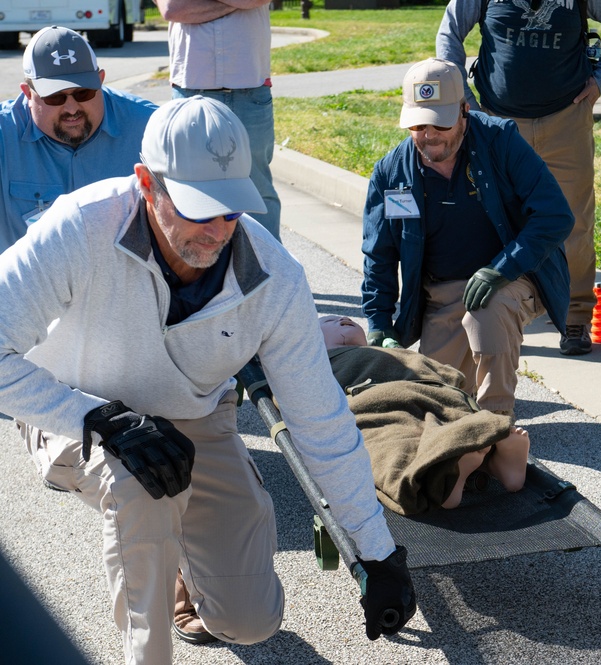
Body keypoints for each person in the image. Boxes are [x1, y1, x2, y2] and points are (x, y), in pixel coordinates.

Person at [0, 96, 415, 664]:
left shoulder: (276, 278)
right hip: (80, 412)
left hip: (196, 414)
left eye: (231, 207)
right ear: (146, 182)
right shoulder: (78, 227)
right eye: (199, 207)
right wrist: (93, 417)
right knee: (138, 486)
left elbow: (320, 421)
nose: (218, 229)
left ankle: (187, 569)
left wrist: (377, 553)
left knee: (250, 621)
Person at [361, 58, 573, 420]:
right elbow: (379, 254)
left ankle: (495, 423)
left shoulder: (501, 141)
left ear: (464, 111)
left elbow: (556, 216)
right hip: (442, 292)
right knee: (441, 403)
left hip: (512, 278)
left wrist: (500, 270)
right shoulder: (390, 173)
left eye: (440, 123)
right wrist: (379, 323)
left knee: (485, 313)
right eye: (417, 124)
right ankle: (470, 414)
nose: (429, 135)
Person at [437, 0, 601, 355]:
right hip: (497, 122)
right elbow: (449, 33)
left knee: (573, 223)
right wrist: (465, 99)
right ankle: (495, 320)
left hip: (567, 119)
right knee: (492, 221)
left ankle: (575, 320)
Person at [320, 315, 531, 514]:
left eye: (346, 320)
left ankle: (480, 466)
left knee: (452, 414)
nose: (342, 319)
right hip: (372, 401)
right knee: (390, 440)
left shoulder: (389, 353)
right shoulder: (320, 364)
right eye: (330, 321)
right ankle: (456, 471)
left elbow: (432, 369)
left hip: (427, 391)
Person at [0, 25, 157, 252]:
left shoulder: (150, 127)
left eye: (83, 93)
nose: (72, 108)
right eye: (55, 97)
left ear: (100, 80)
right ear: (27, 93)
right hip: (31, 284)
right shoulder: (5, 135)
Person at [156, 0, 282, 241]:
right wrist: (241, 4)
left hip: (250, 90)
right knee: (190, 187)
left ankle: (269, 269)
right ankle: (197, 267)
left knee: (257, 189)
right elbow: (173, 9)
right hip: (191, 90)